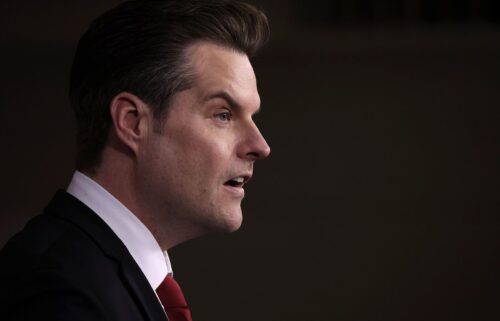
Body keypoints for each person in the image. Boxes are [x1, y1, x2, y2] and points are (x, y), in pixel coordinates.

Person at [0, 0, 270, 320]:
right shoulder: (56, 293)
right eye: (223, 115)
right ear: (132, 122)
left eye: (251, 117)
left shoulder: (98, 274)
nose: (260, 146)